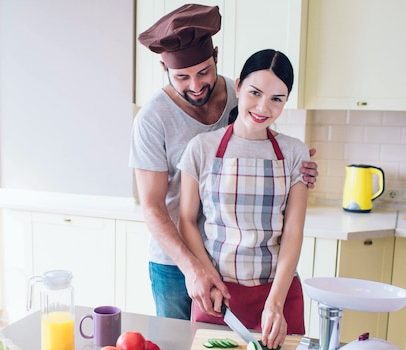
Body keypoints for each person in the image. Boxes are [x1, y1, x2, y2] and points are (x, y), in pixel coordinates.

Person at [129, 4, 318, 321]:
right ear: (165, 69)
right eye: (182, 77)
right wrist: (193, 268)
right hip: (175, 262)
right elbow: (152, 206)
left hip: (234, 264)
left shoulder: (240, 91)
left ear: (216, 55)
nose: (196, 85)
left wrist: (299, 168)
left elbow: (259, 135)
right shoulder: (152, 119)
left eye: (204, 72)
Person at [178, 49, 307, 349]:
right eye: (255, 92)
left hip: (278, 294)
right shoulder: (201, 148)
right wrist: (208, 276)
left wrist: (275, 304)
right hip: (217, 296)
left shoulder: (294, 153)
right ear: (238, 87)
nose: (264, 107)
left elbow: (293, 233)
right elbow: (186, 220)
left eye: (277, 98)